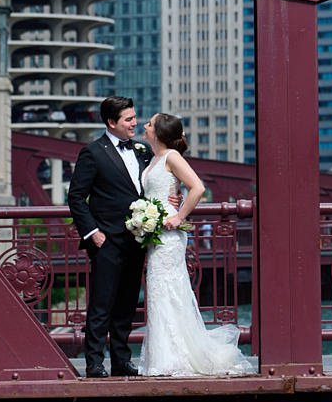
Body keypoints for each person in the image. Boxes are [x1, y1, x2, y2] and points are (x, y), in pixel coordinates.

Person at [67, 95, 175, 378]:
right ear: (111, 123)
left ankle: (121, 360)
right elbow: (77, 197)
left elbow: (156, 182)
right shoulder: (92, 152)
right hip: (107, 241)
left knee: (127, 304)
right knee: (101, 304)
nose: (135, 123)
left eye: (135, 117)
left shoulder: (141, 150)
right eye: (128, 119)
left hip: (137, 240)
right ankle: (93, 363)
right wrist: (93, 233)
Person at [137, 112, 251, 377]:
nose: (145, 125)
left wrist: (179, 217)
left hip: (168, 234)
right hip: (156, 233)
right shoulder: (154, 158)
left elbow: (198, 187)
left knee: (168, 291)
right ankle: (164, 355)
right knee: (160, 292)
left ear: (160, 132)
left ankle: (171, 359)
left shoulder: (172, 157)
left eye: (150, 124)